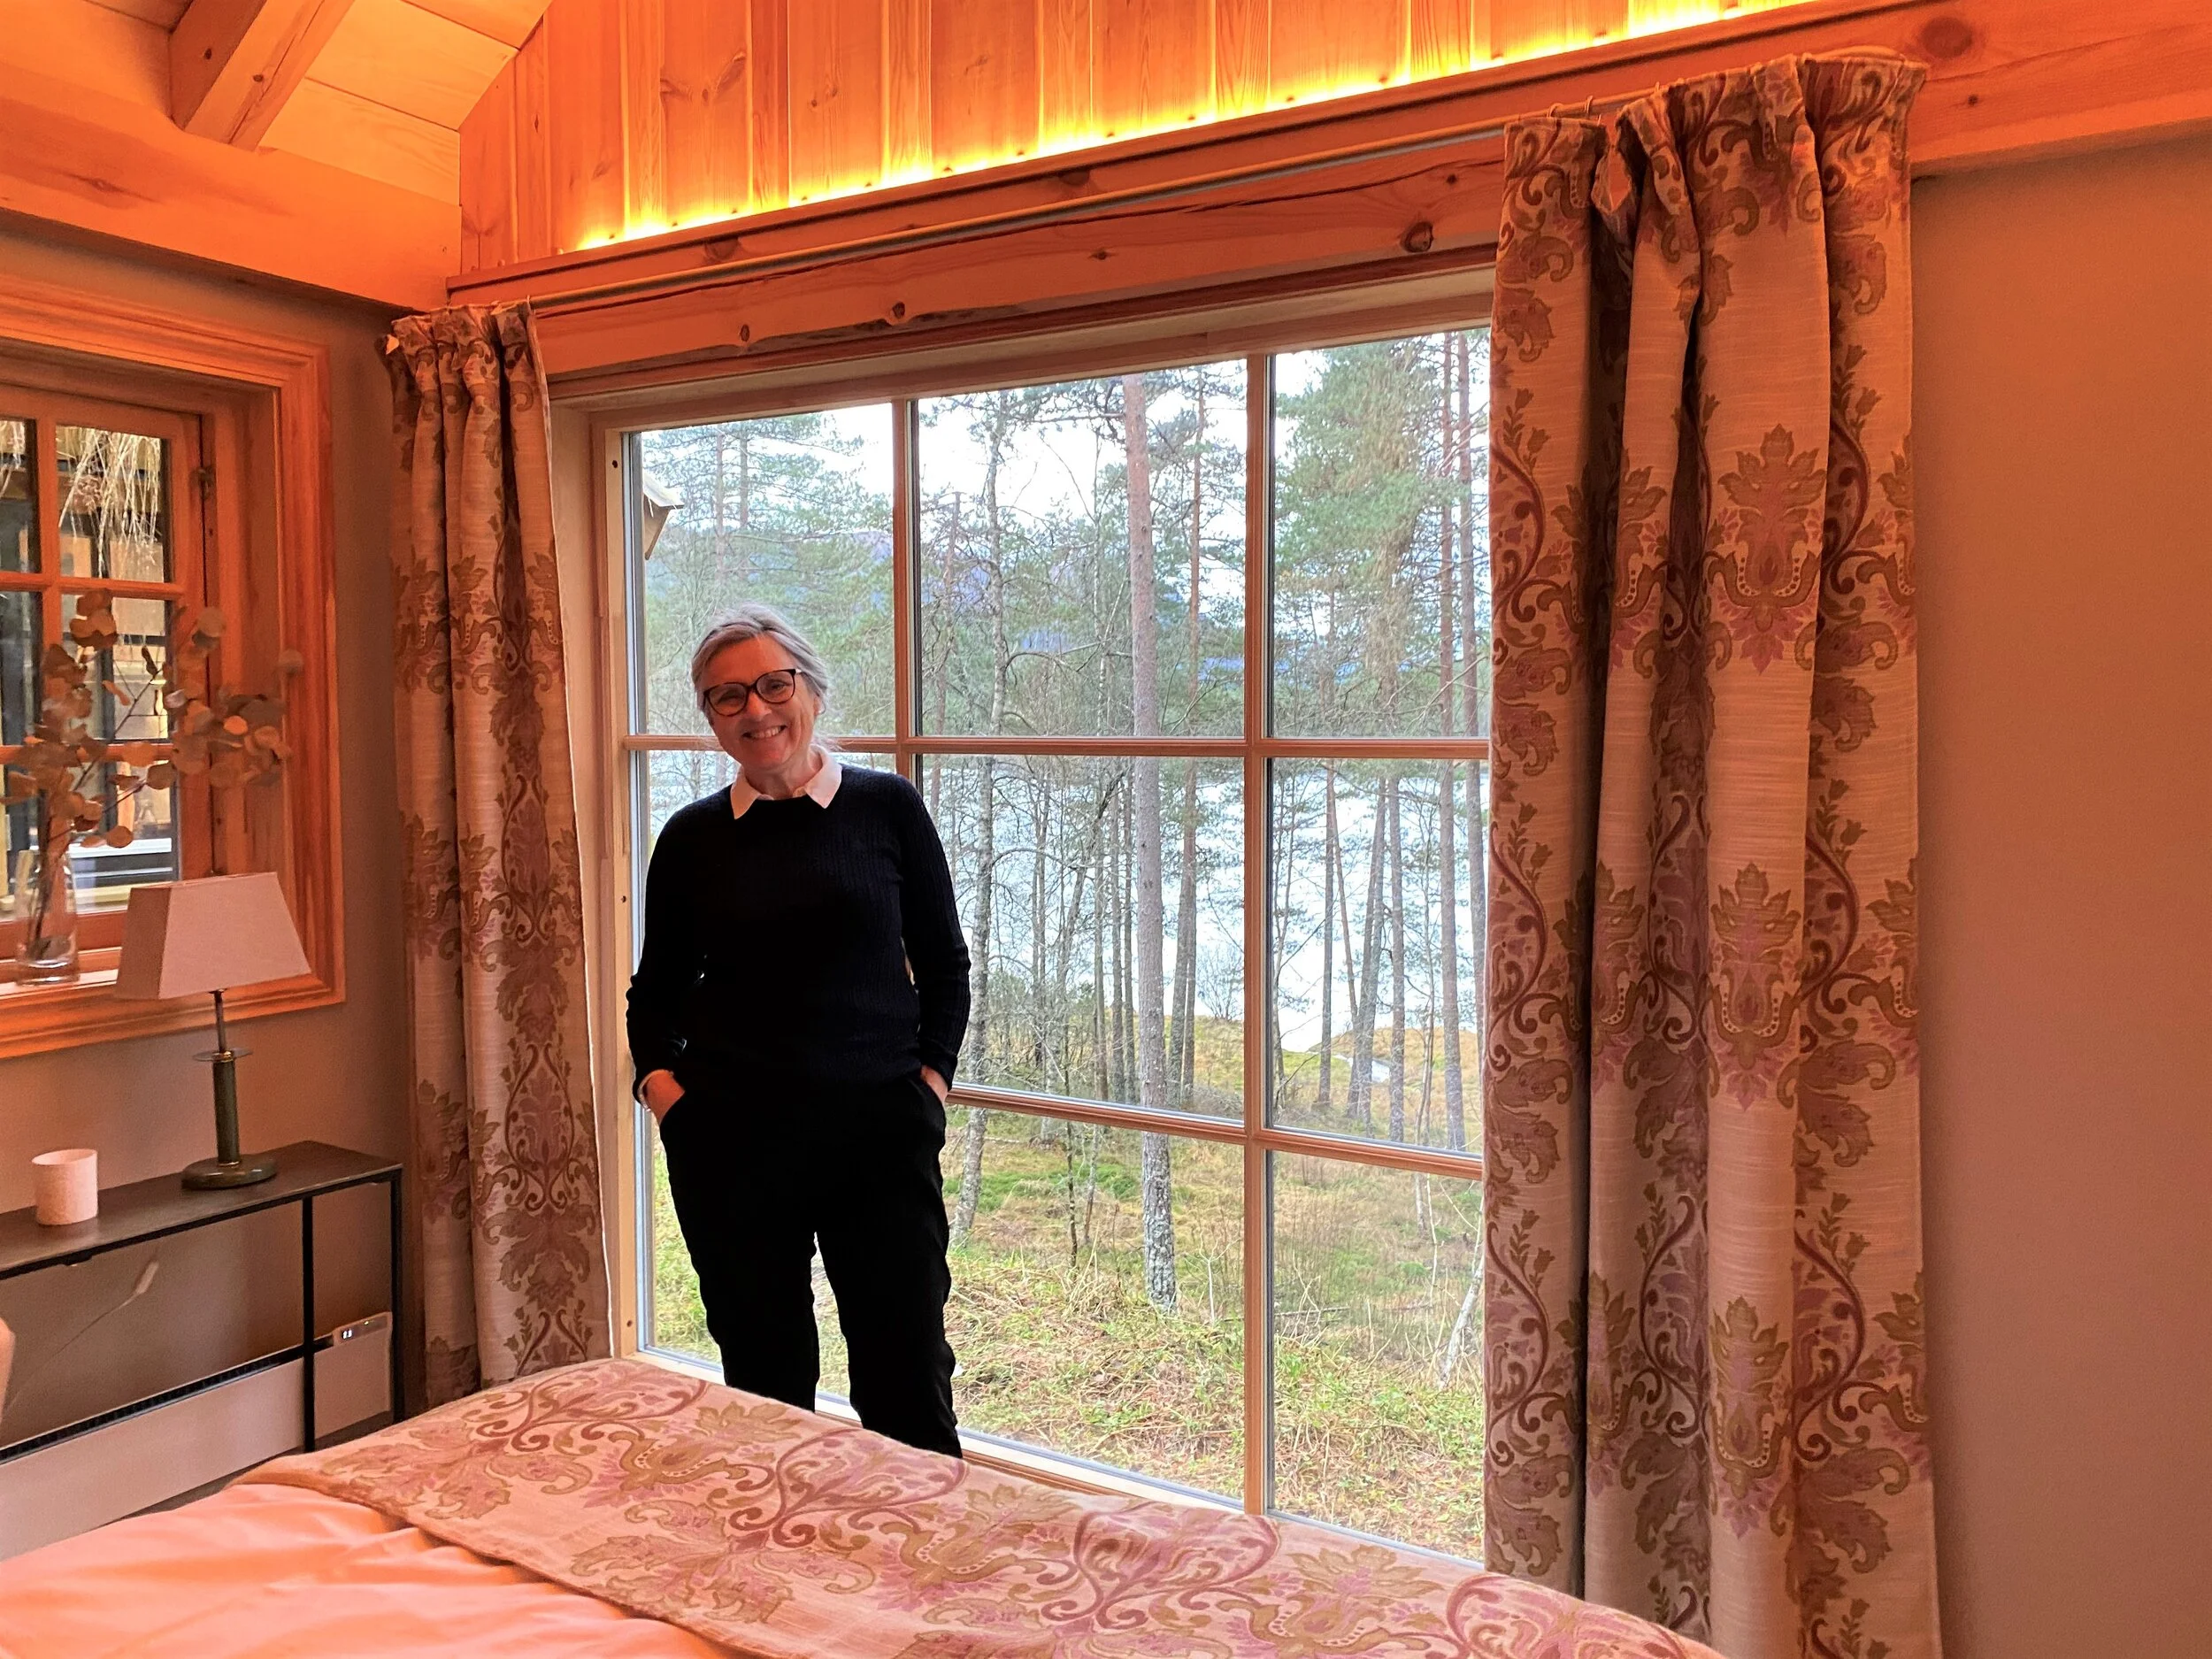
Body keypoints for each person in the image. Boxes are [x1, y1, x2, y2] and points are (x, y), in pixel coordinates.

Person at [626, 603, 971, 1457]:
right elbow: (654, 995)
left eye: (773, 684)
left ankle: (921, 1541)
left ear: (810, 689)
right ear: (712, 719)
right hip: (733, 1150)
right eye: (727, 696)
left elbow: (945, 965)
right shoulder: (692, 838)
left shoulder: (887, 808)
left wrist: (927, 1088)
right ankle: (780, 1541)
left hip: (879, 1143)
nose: (756, 709)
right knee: (766, 1391)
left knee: (906, 1386)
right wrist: (672, 1107)